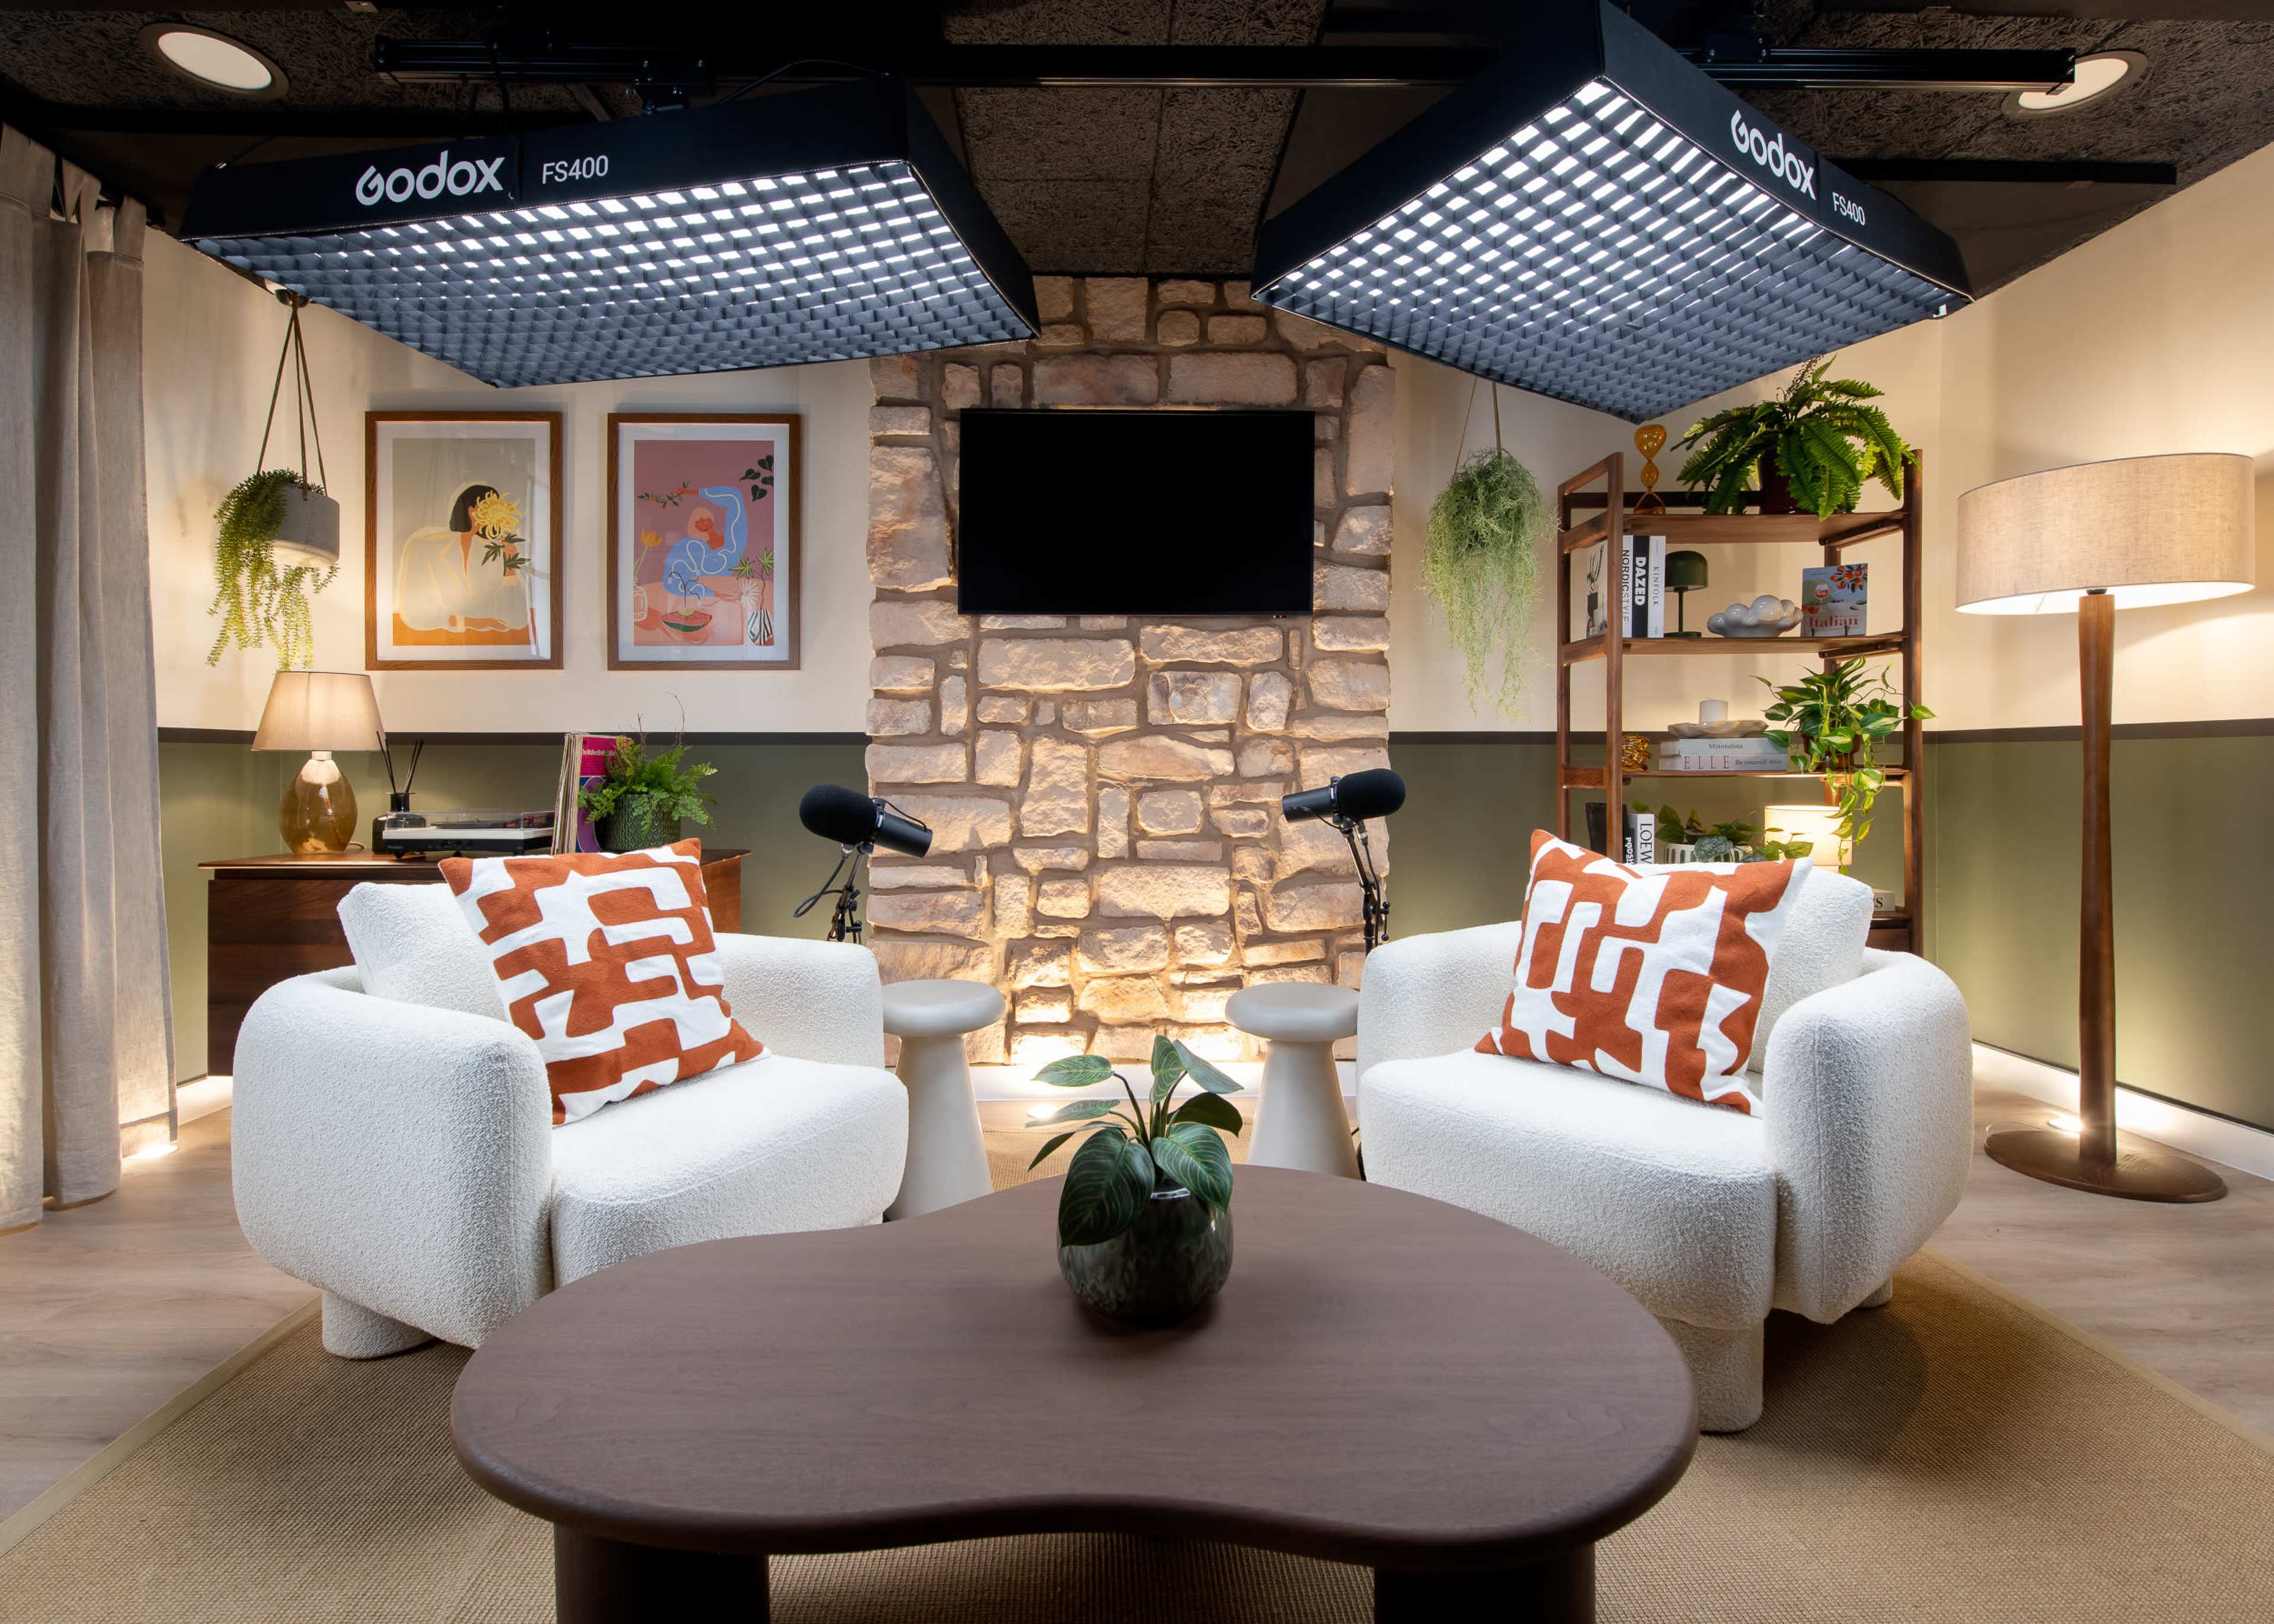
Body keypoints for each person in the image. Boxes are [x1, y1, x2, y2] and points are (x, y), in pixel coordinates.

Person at [394, 483, 532, 638]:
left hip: (489, 643)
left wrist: (510, 563)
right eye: (491, 511)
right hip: (435, 641)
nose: (497, 520)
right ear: (472, 511)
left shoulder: (493, 554)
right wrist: (474, 623)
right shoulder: (423, 546)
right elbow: (416, 614)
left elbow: (515, 617)